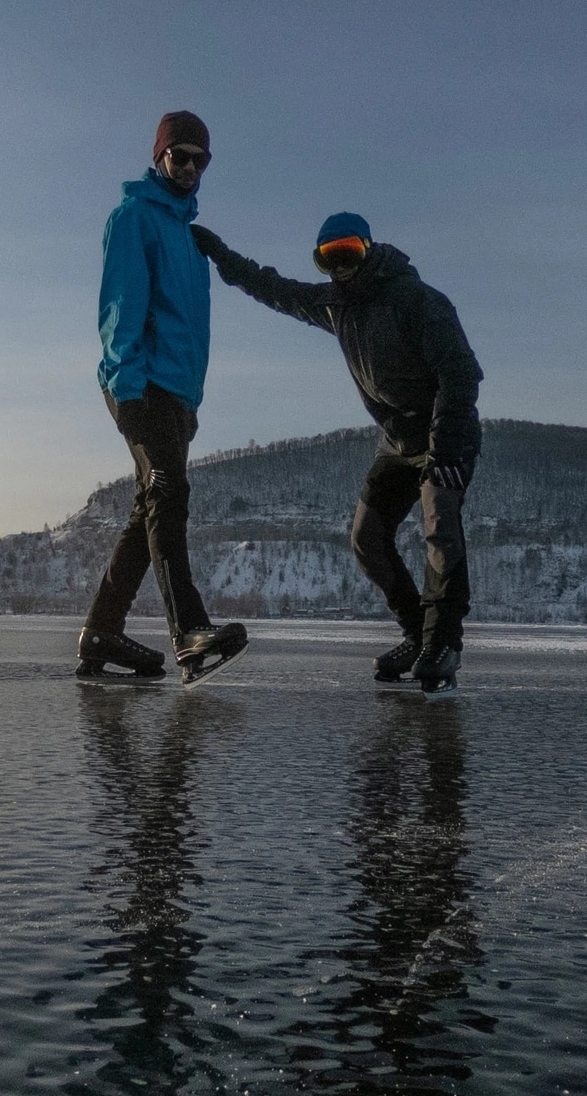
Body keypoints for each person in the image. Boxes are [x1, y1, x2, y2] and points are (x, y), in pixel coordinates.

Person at [191, 212, 481, 694]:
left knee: (439, 527)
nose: (341, 266)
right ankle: (416, 634)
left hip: (443, 432)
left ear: (369, 249)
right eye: (329, 258)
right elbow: (273, 288)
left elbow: (461, 374)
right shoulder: (334, 305)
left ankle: (442, 644)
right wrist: (220, 254)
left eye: (348, 252)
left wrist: (445, 447)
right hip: (395, 441)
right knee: (367, 537)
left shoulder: (418, 300)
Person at [78, 111, 248, 683]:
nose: (192, 168)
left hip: (176, 395)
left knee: (147, 507)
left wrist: (189, 402)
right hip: (140, 384)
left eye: (202, 159)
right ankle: (189, 632)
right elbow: (120, 307)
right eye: (181, 156)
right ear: (160, 158)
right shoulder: (133, 218)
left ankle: (102, 630)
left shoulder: (188, 236)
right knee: (169, 492)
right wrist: (126, 389)